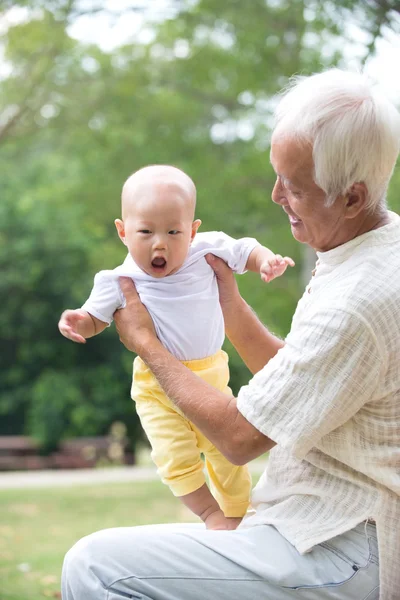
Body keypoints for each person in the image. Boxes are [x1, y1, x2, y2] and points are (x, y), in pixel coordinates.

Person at [61, 69, 400, 600]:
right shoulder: (371, 251)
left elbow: (240, 439)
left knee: (96, 566)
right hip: (305, 526)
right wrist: (231, 303)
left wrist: (146, 343)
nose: (274, 196)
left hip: (341, 545)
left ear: (352, 198)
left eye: (292, 186)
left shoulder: (359, 300)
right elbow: (305, 380)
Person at [58, 164, 294, 529]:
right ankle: (210, 513)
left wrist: (265, 261)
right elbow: (97, 317)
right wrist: (80, 322)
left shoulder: (206, 250)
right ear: (123, 231)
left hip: (210, 374)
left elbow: (244, 248)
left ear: (193, 230)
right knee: (174, 457)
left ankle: (237, 512)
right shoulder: (117, 280)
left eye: (173, 231)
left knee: (225, 454)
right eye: (146, 231)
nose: (160, 243)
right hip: (155, 386)